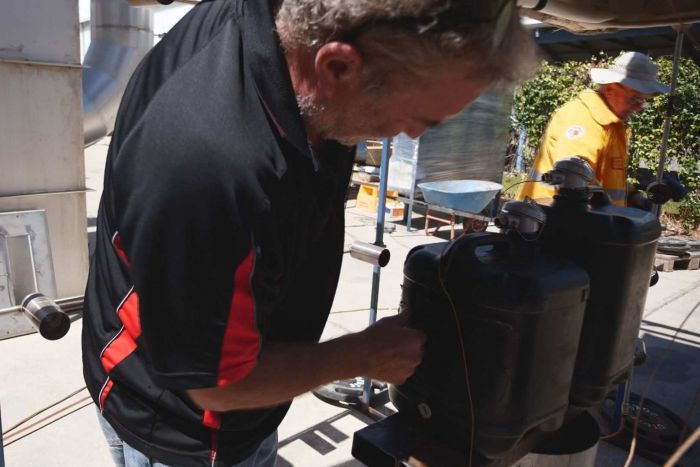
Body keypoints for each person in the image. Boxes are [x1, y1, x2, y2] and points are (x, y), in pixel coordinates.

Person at [82, 1, 536, 465]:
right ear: (337, 66)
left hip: (240, 397)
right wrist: (362, 355)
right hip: (185, 431)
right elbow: (218, 386)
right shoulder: (210, 166)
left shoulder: (299, 53)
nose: (413, 137)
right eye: (421, 118)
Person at [517, 51, 670, 207]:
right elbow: (574, 180)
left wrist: (633, 196)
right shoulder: (583, 119)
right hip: (546, 220)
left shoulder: (612, 124)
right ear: (610, 89)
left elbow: (605, 179)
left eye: (643, 101)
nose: (638, 107)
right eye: (635, 99)